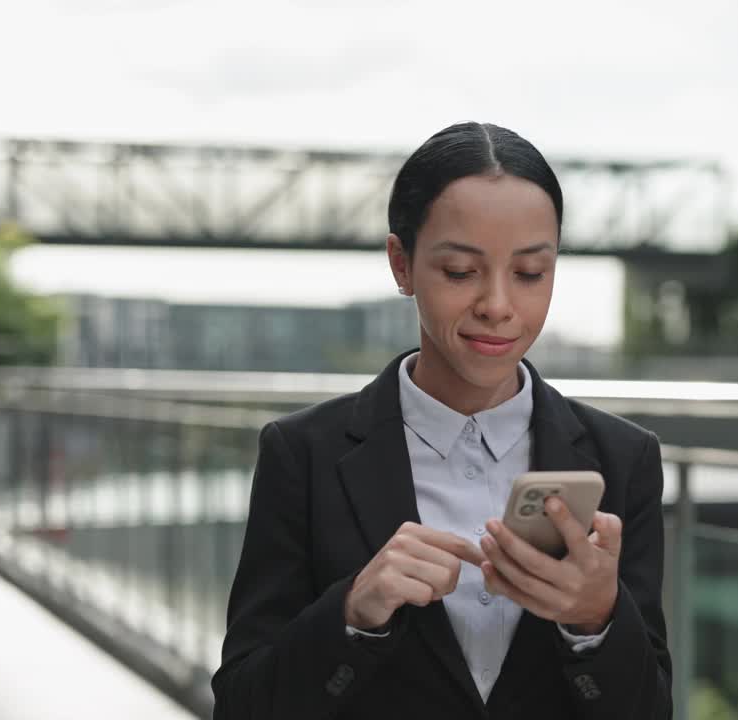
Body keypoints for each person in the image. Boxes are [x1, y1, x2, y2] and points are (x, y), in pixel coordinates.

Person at [211, 122, 672, 719]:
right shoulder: (303, 455)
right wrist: (352, 615)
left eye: (531, 273)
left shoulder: (623, 459)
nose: (499, 305)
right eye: (460, 272)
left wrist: (596, 619)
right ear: (401, 264)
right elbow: (242, 706)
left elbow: (653, 710)